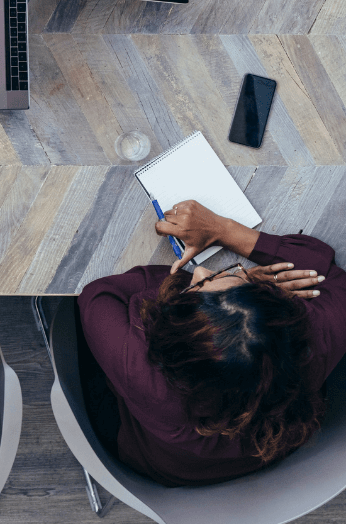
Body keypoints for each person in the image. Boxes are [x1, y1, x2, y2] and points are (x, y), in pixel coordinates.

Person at [77, 199, 346, 486]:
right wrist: (224, 231)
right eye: (227, 275)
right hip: (272, 451)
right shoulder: (311, 339)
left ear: (176, 341)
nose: (200, 272)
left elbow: (99, 294)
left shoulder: (146, 375)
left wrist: (190, 286)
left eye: (201, 283)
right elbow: (331, 275)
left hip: (163, 463)